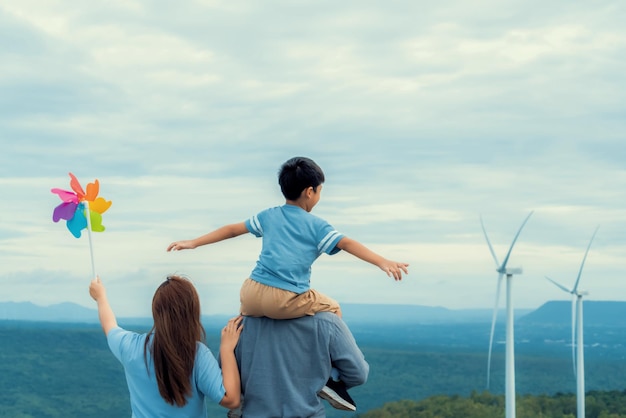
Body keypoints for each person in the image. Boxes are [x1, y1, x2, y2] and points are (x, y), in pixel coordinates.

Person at [167, 156, 408, 409]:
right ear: (309, 192)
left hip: (250, 295)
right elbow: (346, 243)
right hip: (284, 297)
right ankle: (331, 380)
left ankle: (246, 401)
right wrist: (382, 261)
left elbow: (232, 229)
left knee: (250, 331)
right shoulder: (317, 225)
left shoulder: (269, 215)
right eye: (320, 191)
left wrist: (193, 242)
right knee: (333, 309)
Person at [89, 275, 243, 417]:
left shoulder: (131, 347)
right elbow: (231, 400)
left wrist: (101, 297)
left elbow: (109, 325)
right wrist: (227, 349)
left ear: (156, 311)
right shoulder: (197, 355)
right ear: (192, 312)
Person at [230, 312, 369, 417]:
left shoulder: (240, 324)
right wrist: (323, 379)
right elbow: (358, 374)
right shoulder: (328, 322)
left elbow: (226, 382)